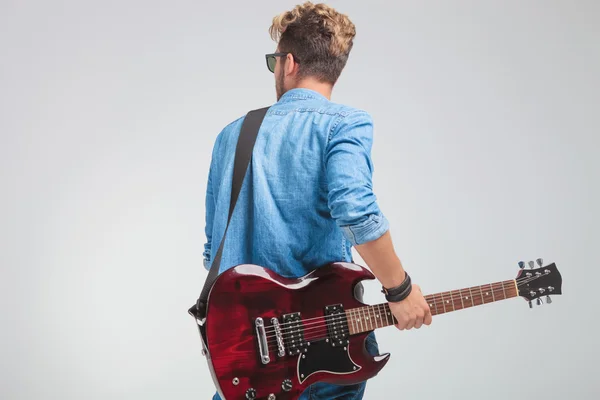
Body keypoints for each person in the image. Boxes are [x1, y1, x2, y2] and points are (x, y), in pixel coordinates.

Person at [202, 2, 432, 399]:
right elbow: (356, 212)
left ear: (288, 63)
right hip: (323, 352)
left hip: (243, 359)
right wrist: (400, 290)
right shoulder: (344, 124)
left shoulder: (231, 136)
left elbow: (213, 254)